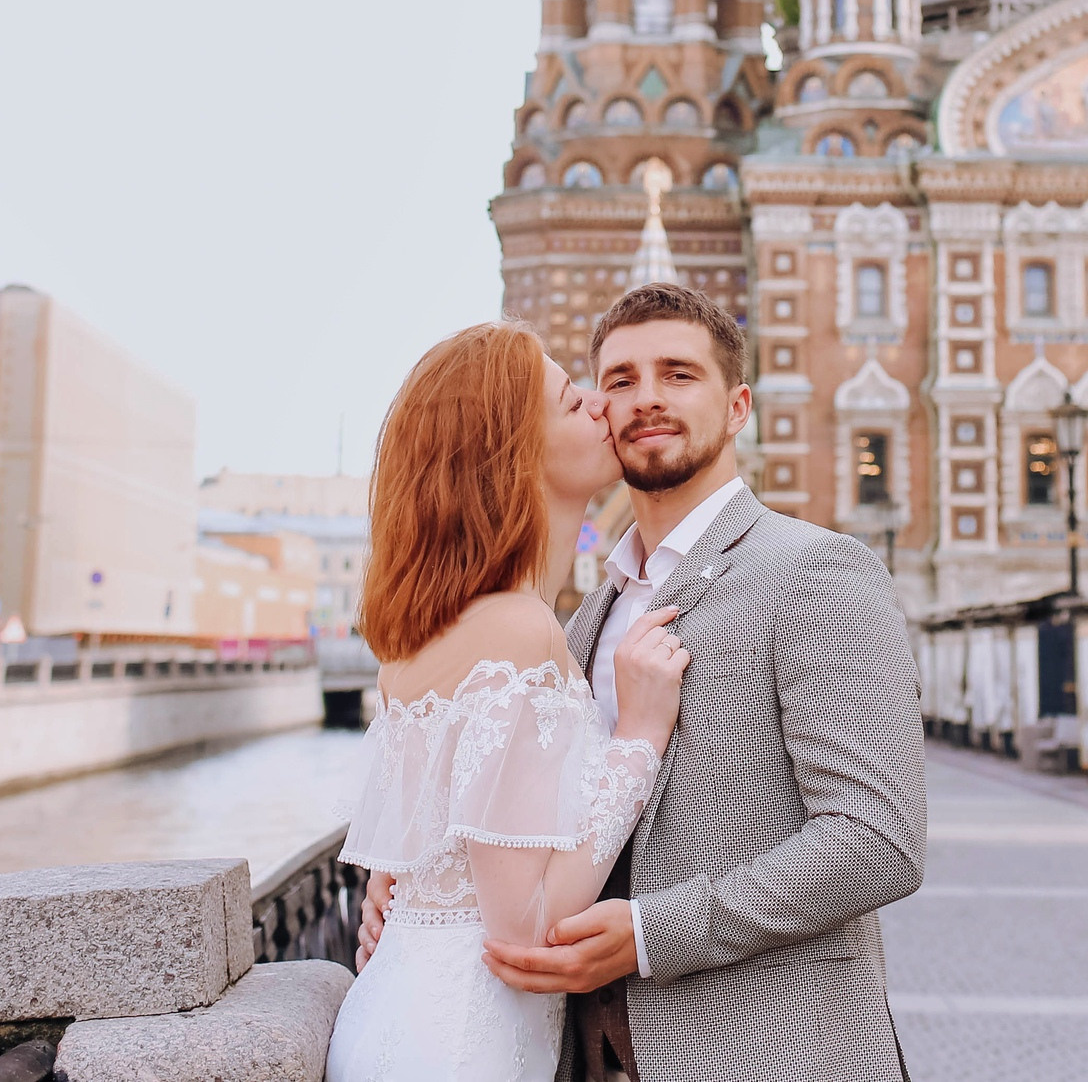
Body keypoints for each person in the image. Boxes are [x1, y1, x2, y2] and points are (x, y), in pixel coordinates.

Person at [483, 282, 927, 1082]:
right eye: (620, 380)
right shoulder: (583, 618)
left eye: (679, 374)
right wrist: (400, 880)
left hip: (775, 1052)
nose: (646, 398)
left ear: (737, 406)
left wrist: (655, 933)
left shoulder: (815, 570)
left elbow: (877, 839)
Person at [327, 321, 691, 1082]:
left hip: (401, 1012)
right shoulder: (518, 629)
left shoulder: (429, 633)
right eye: (571, 401)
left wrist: (394, 884)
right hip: (464, 1043)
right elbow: (526, 928)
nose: (601, 404)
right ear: (512, 457)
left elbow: (427, 848)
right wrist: (641, 738)